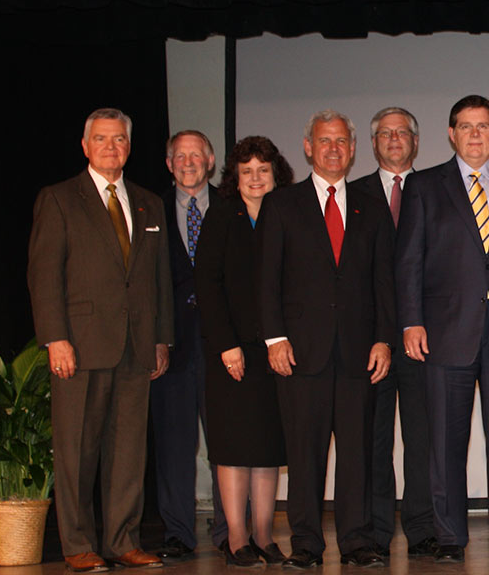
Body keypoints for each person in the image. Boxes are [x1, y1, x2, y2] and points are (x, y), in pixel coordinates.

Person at [396, 95, 489, 563]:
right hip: (445, 332)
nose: (476, 135)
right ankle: (449, 537)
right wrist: (411, 320)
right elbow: (409, 260)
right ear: (451, 134)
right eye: (466, 126)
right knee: (446, 443)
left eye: (484, 126)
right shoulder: (424, 186)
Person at [28, 108, 172, 572]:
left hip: (137, 345)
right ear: (85, 146)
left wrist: (162, 339)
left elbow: (159, 279)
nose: (112, 147)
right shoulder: (59, 199)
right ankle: (77, 545)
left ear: (130, 146)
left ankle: (123, 541)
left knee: (128, 452)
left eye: (120, 140)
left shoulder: (149, 202)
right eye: (102, 139)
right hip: (81, 345)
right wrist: (55, 339)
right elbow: (44, 276)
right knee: (77, 451)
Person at [258, 110, 395, 568]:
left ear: (353, 150)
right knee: (305, 454)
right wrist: (275, 338)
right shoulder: (281, 205)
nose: (333, 148)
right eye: (324, 140)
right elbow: (267, 280)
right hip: (301, 353)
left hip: (358, 353)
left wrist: (383, 340)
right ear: (308, 147)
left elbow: (383, 283)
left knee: (356, 454)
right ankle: (307, 545)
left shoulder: (370, 207)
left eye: (341, 141)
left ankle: (356, 541)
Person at [196, 136, 294, 566]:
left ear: (276, 175)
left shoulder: (289, 215)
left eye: (263, 170)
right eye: (247, 171)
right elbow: (208, 286)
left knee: (268, 447)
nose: (256, 178)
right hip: (232, 353)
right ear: (235, 177)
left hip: (276, 351)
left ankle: (264, 536)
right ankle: (236, 538)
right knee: (234, 448)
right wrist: (227, 346)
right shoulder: (221, 217)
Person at [348, 107, 437, 558]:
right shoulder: (353, 194)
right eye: (385, 133)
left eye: (403, 132)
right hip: (373, 342)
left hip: (426, 339)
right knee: (375, 439)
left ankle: (423, 530)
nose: (395, 139)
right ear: (373, 142)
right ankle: (377, 532)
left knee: (423, 439)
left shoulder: (437, 189)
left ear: (416, 142)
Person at [152, 130, 226, 560]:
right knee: (174, 444)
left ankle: (226, 529)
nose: (188, 162)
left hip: (222, 346)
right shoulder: (148, 208)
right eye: (179, 156)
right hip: (172, 345)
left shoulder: (231, 207)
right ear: (169, 163)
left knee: (225, 442)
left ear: (210, 160)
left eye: (195, 155)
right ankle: (177, 532)